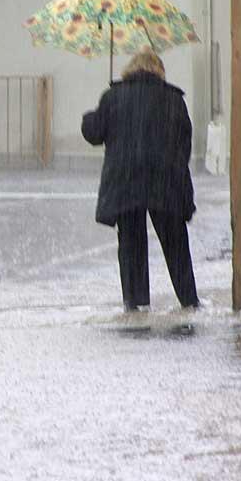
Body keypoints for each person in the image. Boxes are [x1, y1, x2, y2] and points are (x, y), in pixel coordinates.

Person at [81, 48, 199, 312]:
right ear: (159, 71)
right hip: (164, 181)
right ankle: (189, 300)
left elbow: (94, 133)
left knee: (131, 244)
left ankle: (136, 304)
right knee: (176, 244)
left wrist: (90, 117)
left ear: (130, 69)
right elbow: (185, 144)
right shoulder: (173, 99)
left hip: (126, 181)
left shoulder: (113, 97)